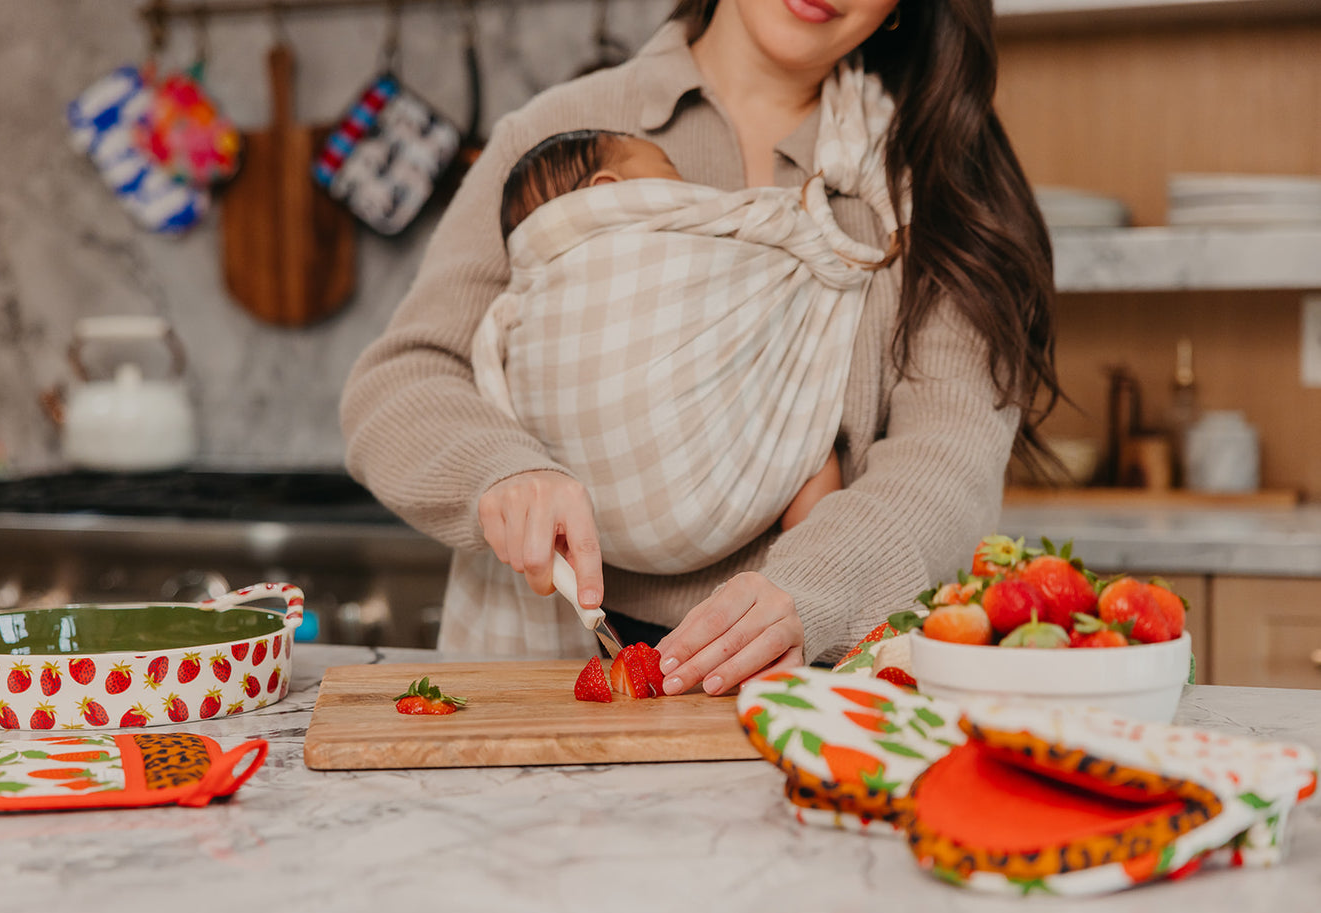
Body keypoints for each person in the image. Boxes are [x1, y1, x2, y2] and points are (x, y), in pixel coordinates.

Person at [340, 0, 1058, 695]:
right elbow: (406, 376)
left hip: (812, 663)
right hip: (552, 666)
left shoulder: (935, 183)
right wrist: (497, 473)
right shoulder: (555, 133)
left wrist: (812, 590)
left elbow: (951, 451)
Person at [488, 126, 845, 553]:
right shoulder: (613, 263)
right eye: (668, 171)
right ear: (609, 191)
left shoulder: (520, 307)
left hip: (591, 533)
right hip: (688, 503)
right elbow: (760, 246)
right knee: (807, 423)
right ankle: (813, 556)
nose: (690, 186)